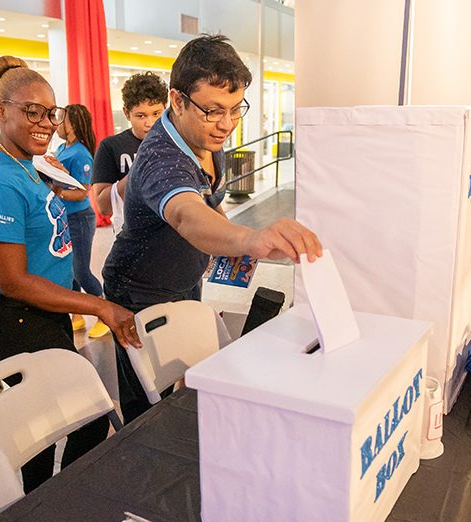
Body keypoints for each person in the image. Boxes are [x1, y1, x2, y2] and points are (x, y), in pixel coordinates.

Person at [102, 34, 322, 424]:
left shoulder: (206, 135)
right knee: (146, 406)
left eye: (236, 110)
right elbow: (187, 214)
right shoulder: (159, 158)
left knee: (187, 375)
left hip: (185, 277)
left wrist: (238, 245)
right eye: (214, 110)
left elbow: (210, 206)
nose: (226, 125)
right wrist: (251, 238)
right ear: (177, 100)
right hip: (139, 288)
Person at [0, 55, 141, 493]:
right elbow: (14, 280)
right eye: (31, 111)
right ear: (0, 111)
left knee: (81, 421)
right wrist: (99, 304)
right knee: (41, 439)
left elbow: (57, 206)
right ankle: (42, 503)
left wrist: (46, 176)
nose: (45, 122)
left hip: (45, 315)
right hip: (18, 322)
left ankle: (57, 496)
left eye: (50, 112)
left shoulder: (26, 163)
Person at [54, 104, 109, 338]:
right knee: (68, 270)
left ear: (72, 124)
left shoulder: (81, 154)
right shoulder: (60, 148)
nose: (55, 123)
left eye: (59, 119)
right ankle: (76, 316)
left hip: (79, 218)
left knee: (81, 270)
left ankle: (104, 312)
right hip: (64, 217)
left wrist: (57, 191)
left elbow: (82, 191)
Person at [92, 72, 168, 233]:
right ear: (127, 113)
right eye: (141, 116)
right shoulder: (110, 146)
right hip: (133, 238)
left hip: (173, 235)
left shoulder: (176, 143)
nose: (150, 123)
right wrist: (141, 168)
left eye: (156, 113)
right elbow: (103, 206)